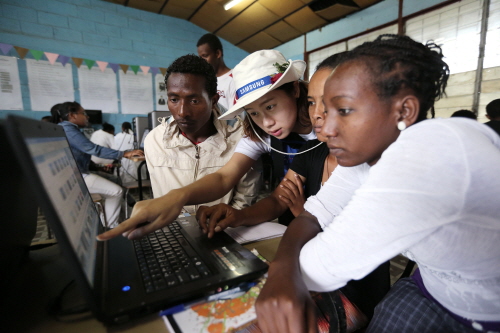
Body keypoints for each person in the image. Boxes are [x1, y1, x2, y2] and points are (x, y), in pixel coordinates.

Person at [254, 34, 500, 333]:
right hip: (431, 285)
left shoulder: (428, 164)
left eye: (343, 110)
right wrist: (282, 269)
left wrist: (282, 272)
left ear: (404, 111)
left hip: (486, 313)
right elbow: (312, 215)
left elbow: (325, 265)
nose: (327, 127)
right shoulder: (369, 156)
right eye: (322, 109)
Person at [196, 54, 390, 329]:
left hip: (352, 289)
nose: (319, 115)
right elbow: (279, 199)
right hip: (310, 266)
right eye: (313, 103)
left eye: (338, 104)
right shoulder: (313, 154)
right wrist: (239, 217)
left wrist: (301, 211)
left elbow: (356, 240)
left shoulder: (372, 165)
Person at [97, 49, 316, 241]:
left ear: (295, 90)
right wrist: (178, 197)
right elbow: (229, 179)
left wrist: (305, 215)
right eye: (254, 113)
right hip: (298, 223)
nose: (267, 122)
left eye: (270, 106)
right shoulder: (258, 133)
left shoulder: (326, 132)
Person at [143, 54, 261, 214]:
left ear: (213, 100)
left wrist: (223, 222)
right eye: (174, 99)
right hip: (172, 231)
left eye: (194, 101)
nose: (182, 112)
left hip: (223, 231)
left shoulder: (241, 139)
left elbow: (243, 202)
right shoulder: (155, 141)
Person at [51, 102, 144, 228]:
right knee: (116, 191)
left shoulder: (67, 128)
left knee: (115, 180)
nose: (87, 116)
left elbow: (79, 154)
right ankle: (110, 227)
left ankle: (128, 215)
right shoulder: (68, 129)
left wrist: (97, 166)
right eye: (83, 113)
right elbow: (94, 150)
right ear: (72, 115)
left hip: (79, 171)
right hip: (77, 176)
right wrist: (125, 153)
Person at [197, 33, 236, 111]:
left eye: (205, 56)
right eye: (200, 57)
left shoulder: (234, 78)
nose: (202, 61)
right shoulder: (205, 81)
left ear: (218, 53)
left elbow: (237, 117)